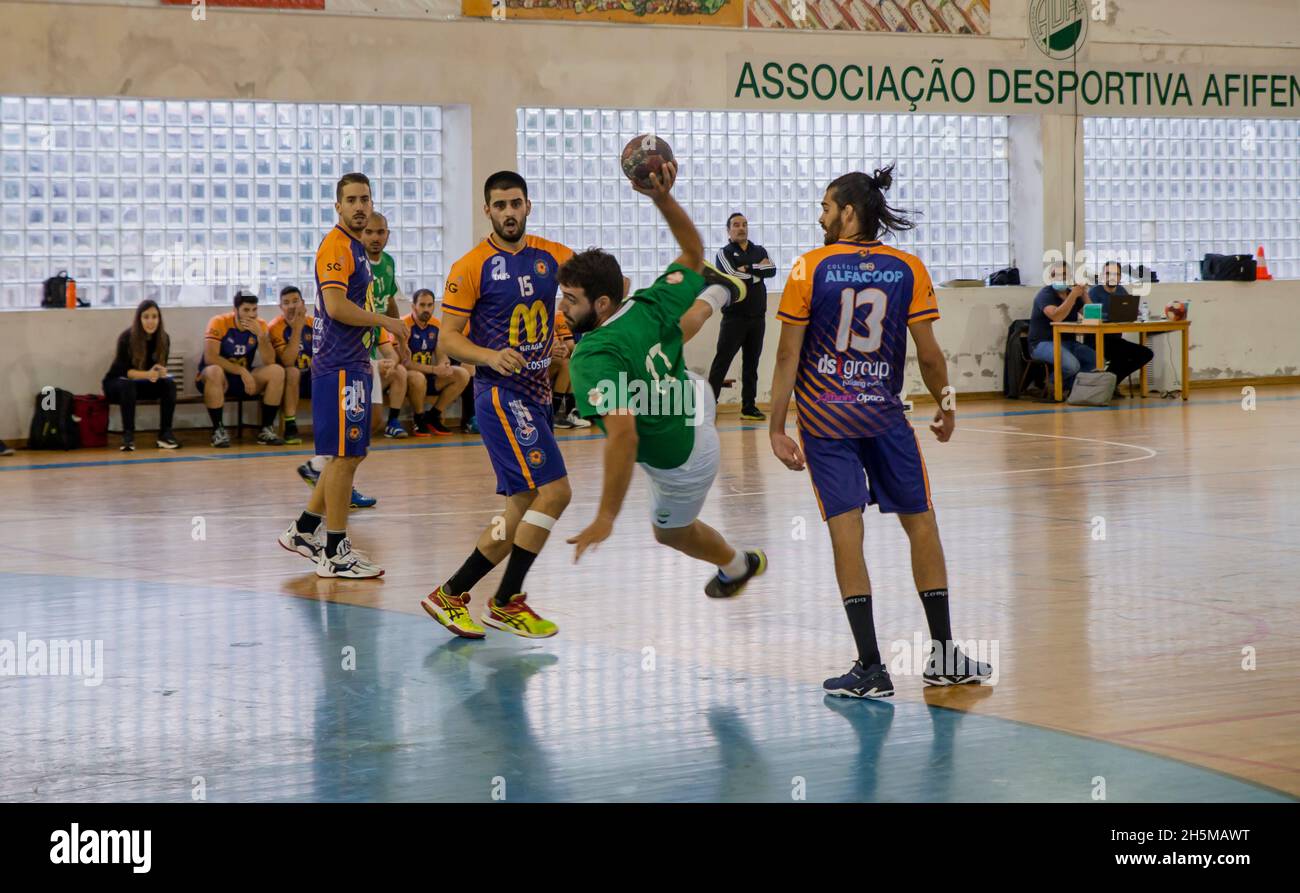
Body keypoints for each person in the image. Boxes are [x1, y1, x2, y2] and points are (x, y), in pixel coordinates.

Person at [768, 167, 992, 699]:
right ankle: (943, 656)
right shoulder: (907, 267)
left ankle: (871, 667)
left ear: (848, 212)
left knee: (848, 533)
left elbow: (785, 354)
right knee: (922, 525)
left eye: (826, 207)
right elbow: (930, 354)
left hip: (827, 421)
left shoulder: (808, 268)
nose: (820, 216)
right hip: (887, 418)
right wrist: (947, 404)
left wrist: (776, 427)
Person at [561, 163, 767, 597]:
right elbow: (693, 252)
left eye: (570, 299)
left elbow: (624, 439)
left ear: (600, 304)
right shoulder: (640, 303)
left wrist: (605, 517)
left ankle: (738, 565)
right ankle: (718, 291)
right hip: (694, 396)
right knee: (671, 327)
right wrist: (661, 199)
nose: (561, 306)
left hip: (686, 460)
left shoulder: (590, 358)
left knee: (670, 533)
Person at [420, 171, 573, 639]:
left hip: (537, 393)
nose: (509, 212)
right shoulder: (471, 266)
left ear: (529, 205)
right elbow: (447, 338)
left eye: (516, 203)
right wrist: (489, 356)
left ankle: (451, 593)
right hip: (500, 395)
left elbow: (597, 289)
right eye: (500, 205)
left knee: (522, 505)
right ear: (487, 210)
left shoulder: (553, 255)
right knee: (557, 493)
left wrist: (565, 336)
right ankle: (506, 601)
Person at [278, 172, 407, 578]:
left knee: (345, 455)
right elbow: (334, 307)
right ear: (338, 206)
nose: (359, 206)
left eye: (364, 199)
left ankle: (303, 530)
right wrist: (387, 321)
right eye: (351, 199)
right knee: (345, 457)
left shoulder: (356, 249)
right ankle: (335, 550)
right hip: (338, 366)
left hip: (351, 362)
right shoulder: (337, 245)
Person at [708, 212, 777, 421]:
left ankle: (749, 406)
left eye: (744, 224)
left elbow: (772, 269)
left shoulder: (759, 250)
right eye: (736, 225)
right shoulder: (724, 253)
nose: (741, 228)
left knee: (751, 363)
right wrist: (757, 273)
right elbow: (731, 274)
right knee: (722, 361)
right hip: (734, 318)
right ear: (729, 230)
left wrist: (749, 268)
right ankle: (709, 406)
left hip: (757, 317)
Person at [196, 290, 286, 447]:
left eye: (254, 310)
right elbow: (211, 358)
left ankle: (266, 429)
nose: (251, 315)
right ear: (235, 309)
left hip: (242, 379)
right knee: (214, 371)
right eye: (246, 310)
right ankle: (218, 430)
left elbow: (270, 361)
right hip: (216, 377)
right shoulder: (219, 322)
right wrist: (242, 371)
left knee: (277, 371)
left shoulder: (261, 325)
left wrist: (261, 337)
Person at [103, 298, 180, 451]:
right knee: (128, 385)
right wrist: (147, 374)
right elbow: (126, 372)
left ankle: (165, 434)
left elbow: (158, 368)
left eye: (154, 317)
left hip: (142, 384)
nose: (151, 321)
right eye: (146, 317)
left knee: (169, 384)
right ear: (139, 319)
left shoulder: (164, 339)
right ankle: (128, 435)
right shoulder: (127, 338)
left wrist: (161, 372)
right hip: (118, 383)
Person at [403, 288, 470, 436]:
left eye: (429, 305)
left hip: (429, 376)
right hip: (409, 378)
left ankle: (433, 416)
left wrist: (444, 364)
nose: (426, 309)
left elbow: (441, 353)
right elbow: (405, 363)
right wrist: (434, 370)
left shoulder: (436, 325)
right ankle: (418, 418)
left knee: (462, 374)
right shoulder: (404, 325)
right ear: (413, 306)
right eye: (422, 305)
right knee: (418, 378)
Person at [1028, 260, 1096, 395]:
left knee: (1097, 361)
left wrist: (1084, 294)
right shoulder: (1045, 295)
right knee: (1072, 366)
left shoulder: (1074, 294)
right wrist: (1072, 296)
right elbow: (1056, 317)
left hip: (1069, 342)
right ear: (1051, 276)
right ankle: (1052, 383)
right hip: (1043, 343)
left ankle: (1065, 385)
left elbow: (1092, 317)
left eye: (1064, 275)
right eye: (1056, 274)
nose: (1060, 278)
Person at [1089, 261, 1154, 390]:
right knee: (1122, 356)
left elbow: (1128, 311)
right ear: (1102, 276)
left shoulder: (1121, 291)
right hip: (1097, 340)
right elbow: (1092, 316)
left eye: (1116, 274)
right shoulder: (1094, 292)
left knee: (1146, 353)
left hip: (1115, 340)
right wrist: (1112, 316)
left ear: (1120, 277)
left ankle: (1109, 385)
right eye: (1108, 273)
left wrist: (1136, 313)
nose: (1112, 277)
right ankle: (1108, 386)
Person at [268, 285, 313, 445]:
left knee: (332, 371)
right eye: (286, 303)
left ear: (303, 303)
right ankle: (290, 425)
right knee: (292, 371)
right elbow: (287, 361)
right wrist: (297, 328)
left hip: (312, 377)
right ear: (281, 307)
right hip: (289, 381)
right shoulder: (275, 327)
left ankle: (335, 424)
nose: (292, 306)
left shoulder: (314, 323)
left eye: (295, 301)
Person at [549, 313, 590, 429]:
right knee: (569, 362)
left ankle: (570, 411)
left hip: (549, 363)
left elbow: (565, 348)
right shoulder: (560, 316)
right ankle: (555, 414)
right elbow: (570, 346)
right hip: (535, 366)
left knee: (572, 361)